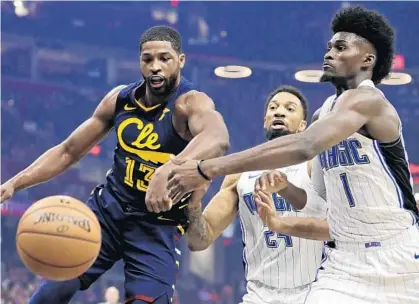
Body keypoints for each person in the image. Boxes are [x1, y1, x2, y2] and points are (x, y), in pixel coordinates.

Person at [167, 6, 419, 303]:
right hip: (344, 264)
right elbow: (320, 211)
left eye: (340, 47)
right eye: (329, 47)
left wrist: (205, 167)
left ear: (367, 59)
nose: (329, 53)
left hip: (399, 255)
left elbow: (304, 146)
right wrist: (279, 221)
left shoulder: (368, 100)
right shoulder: (325, 114)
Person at [0, 26, 229, 304]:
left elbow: (218, 138)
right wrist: (15, 182)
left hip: (157, 225)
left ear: (180, 60)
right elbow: (68, 151)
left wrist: (169, 168)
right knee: (51, 292)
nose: (155, 67)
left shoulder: (191, 103)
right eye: (148, 59)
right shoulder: (120, 99)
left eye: (164, 59)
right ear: (140, 62)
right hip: (108, 211)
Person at [186, 86, 328, 304]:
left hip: (314, 292)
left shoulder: (315, 166)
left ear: (303, 126)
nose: (279, 112)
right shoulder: (239, 175)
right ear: (265, 120)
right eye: (273, 107)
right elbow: (199, 240)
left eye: (290, 109)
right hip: (258, 295)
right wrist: (193, 204)